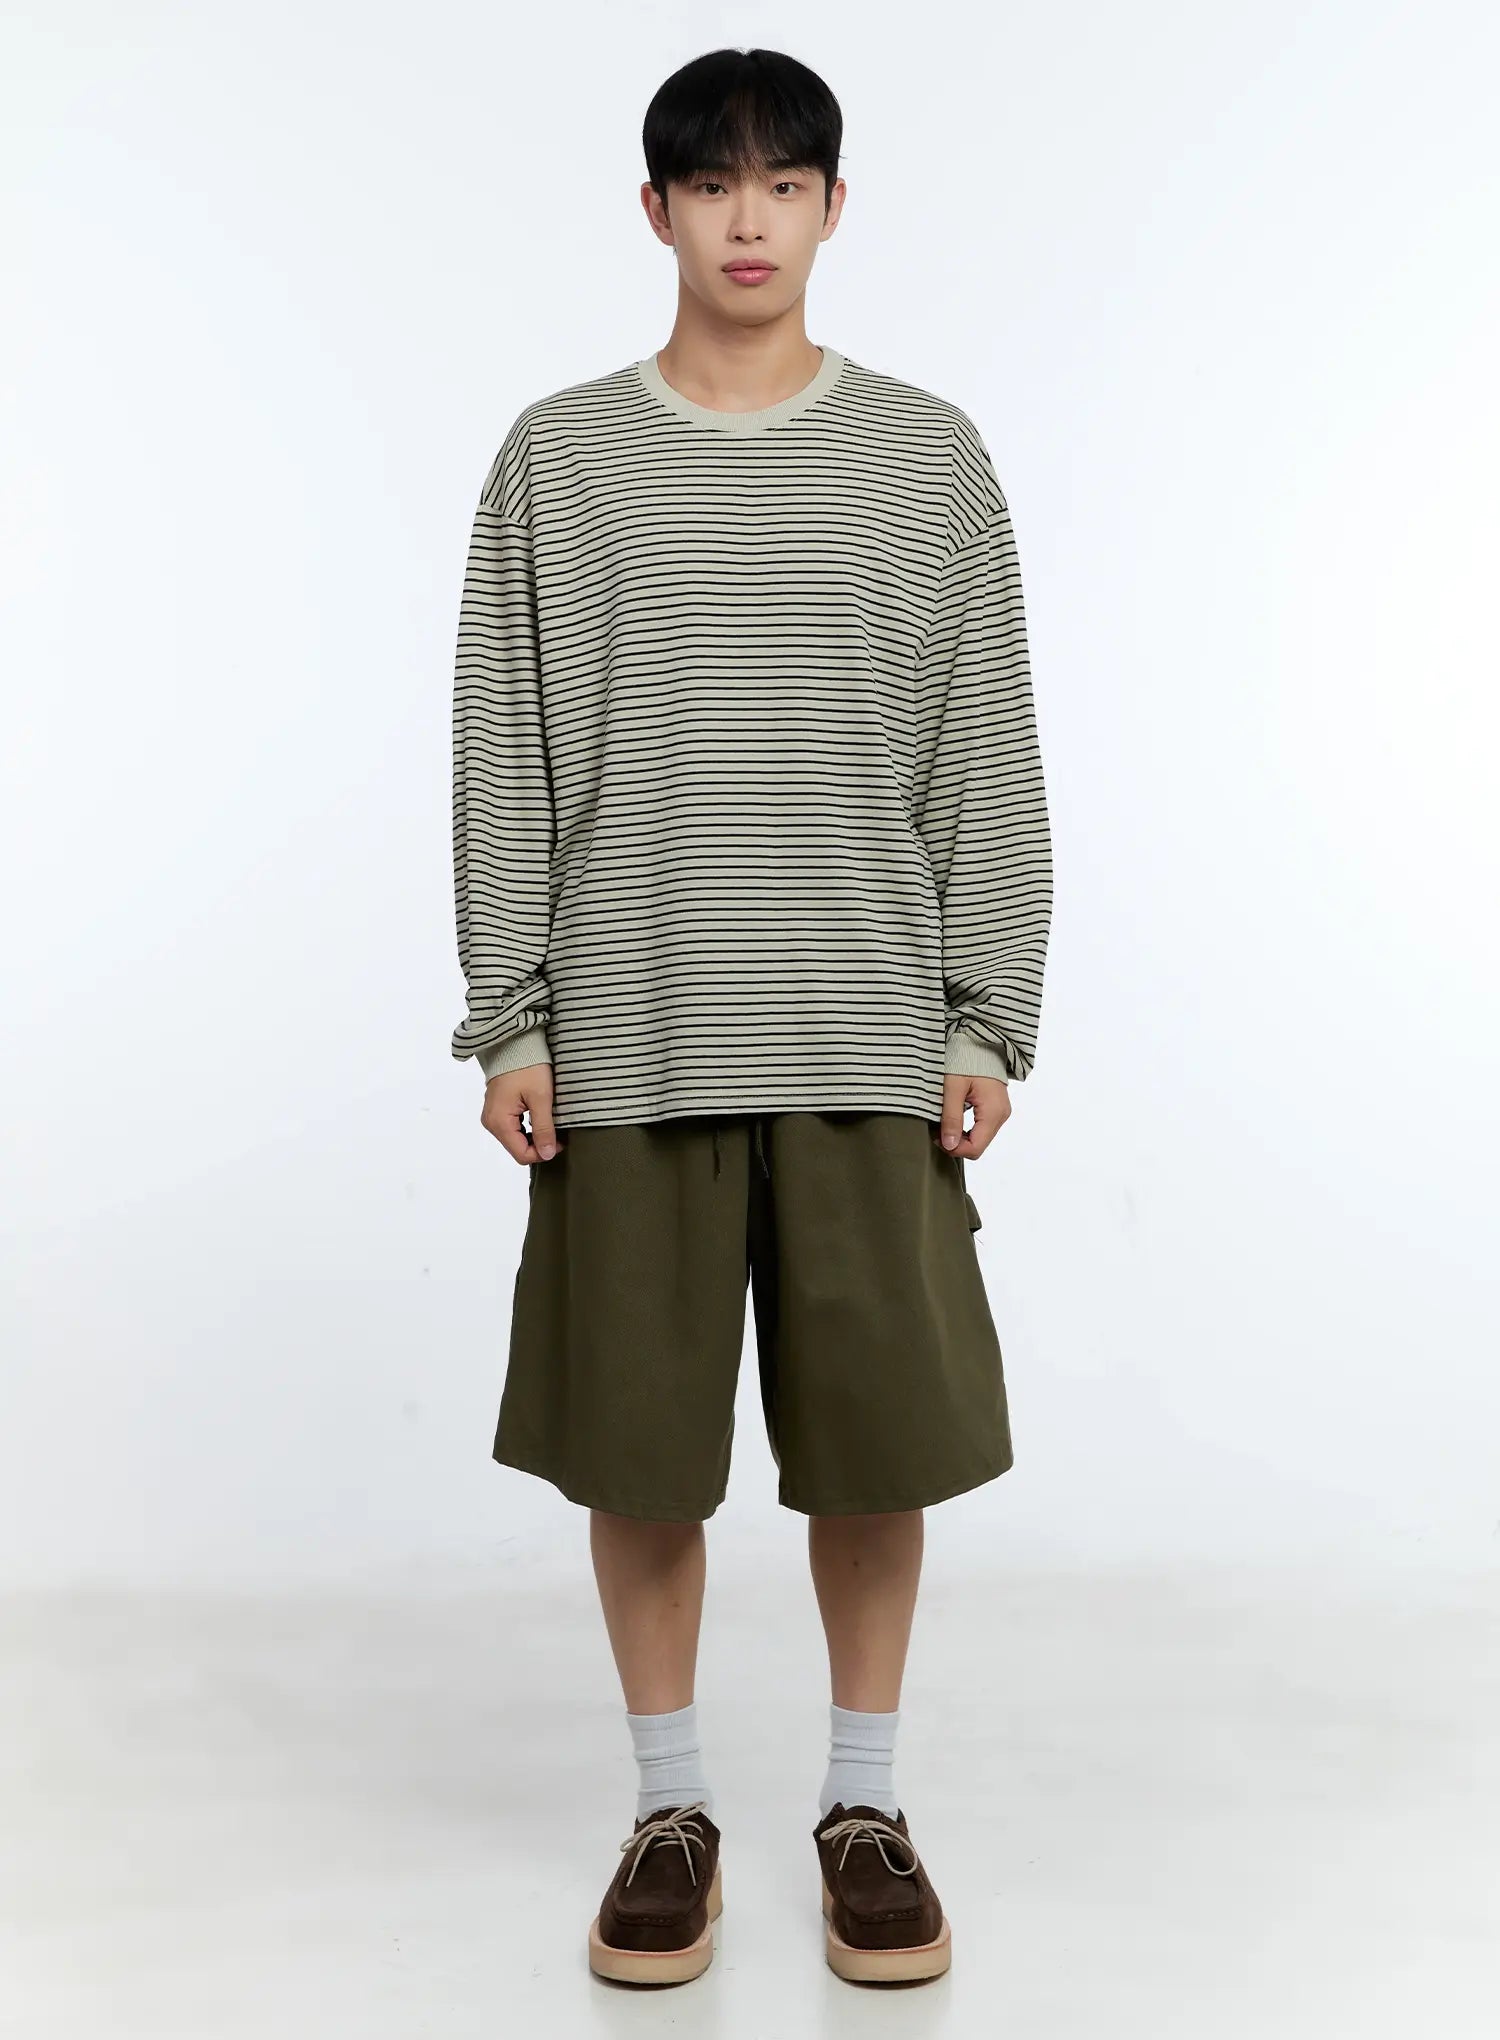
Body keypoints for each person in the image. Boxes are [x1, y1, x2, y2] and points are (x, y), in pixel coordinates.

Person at [448, 44, 1053, 1989]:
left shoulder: (928, 458)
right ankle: (669, 1811)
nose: (748, 220)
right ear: (655, 211)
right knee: (641, 1455)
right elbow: (504, 750)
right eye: (712, 185)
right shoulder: (559, 459)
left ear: (834, 209)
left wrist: (986, 1014)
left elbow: (984, 745)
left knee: (878, 1450)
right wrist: (511, 1016)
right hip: (634, 1030)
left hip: (868, 1030)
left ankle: (864, 1810)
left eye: (786, 183)